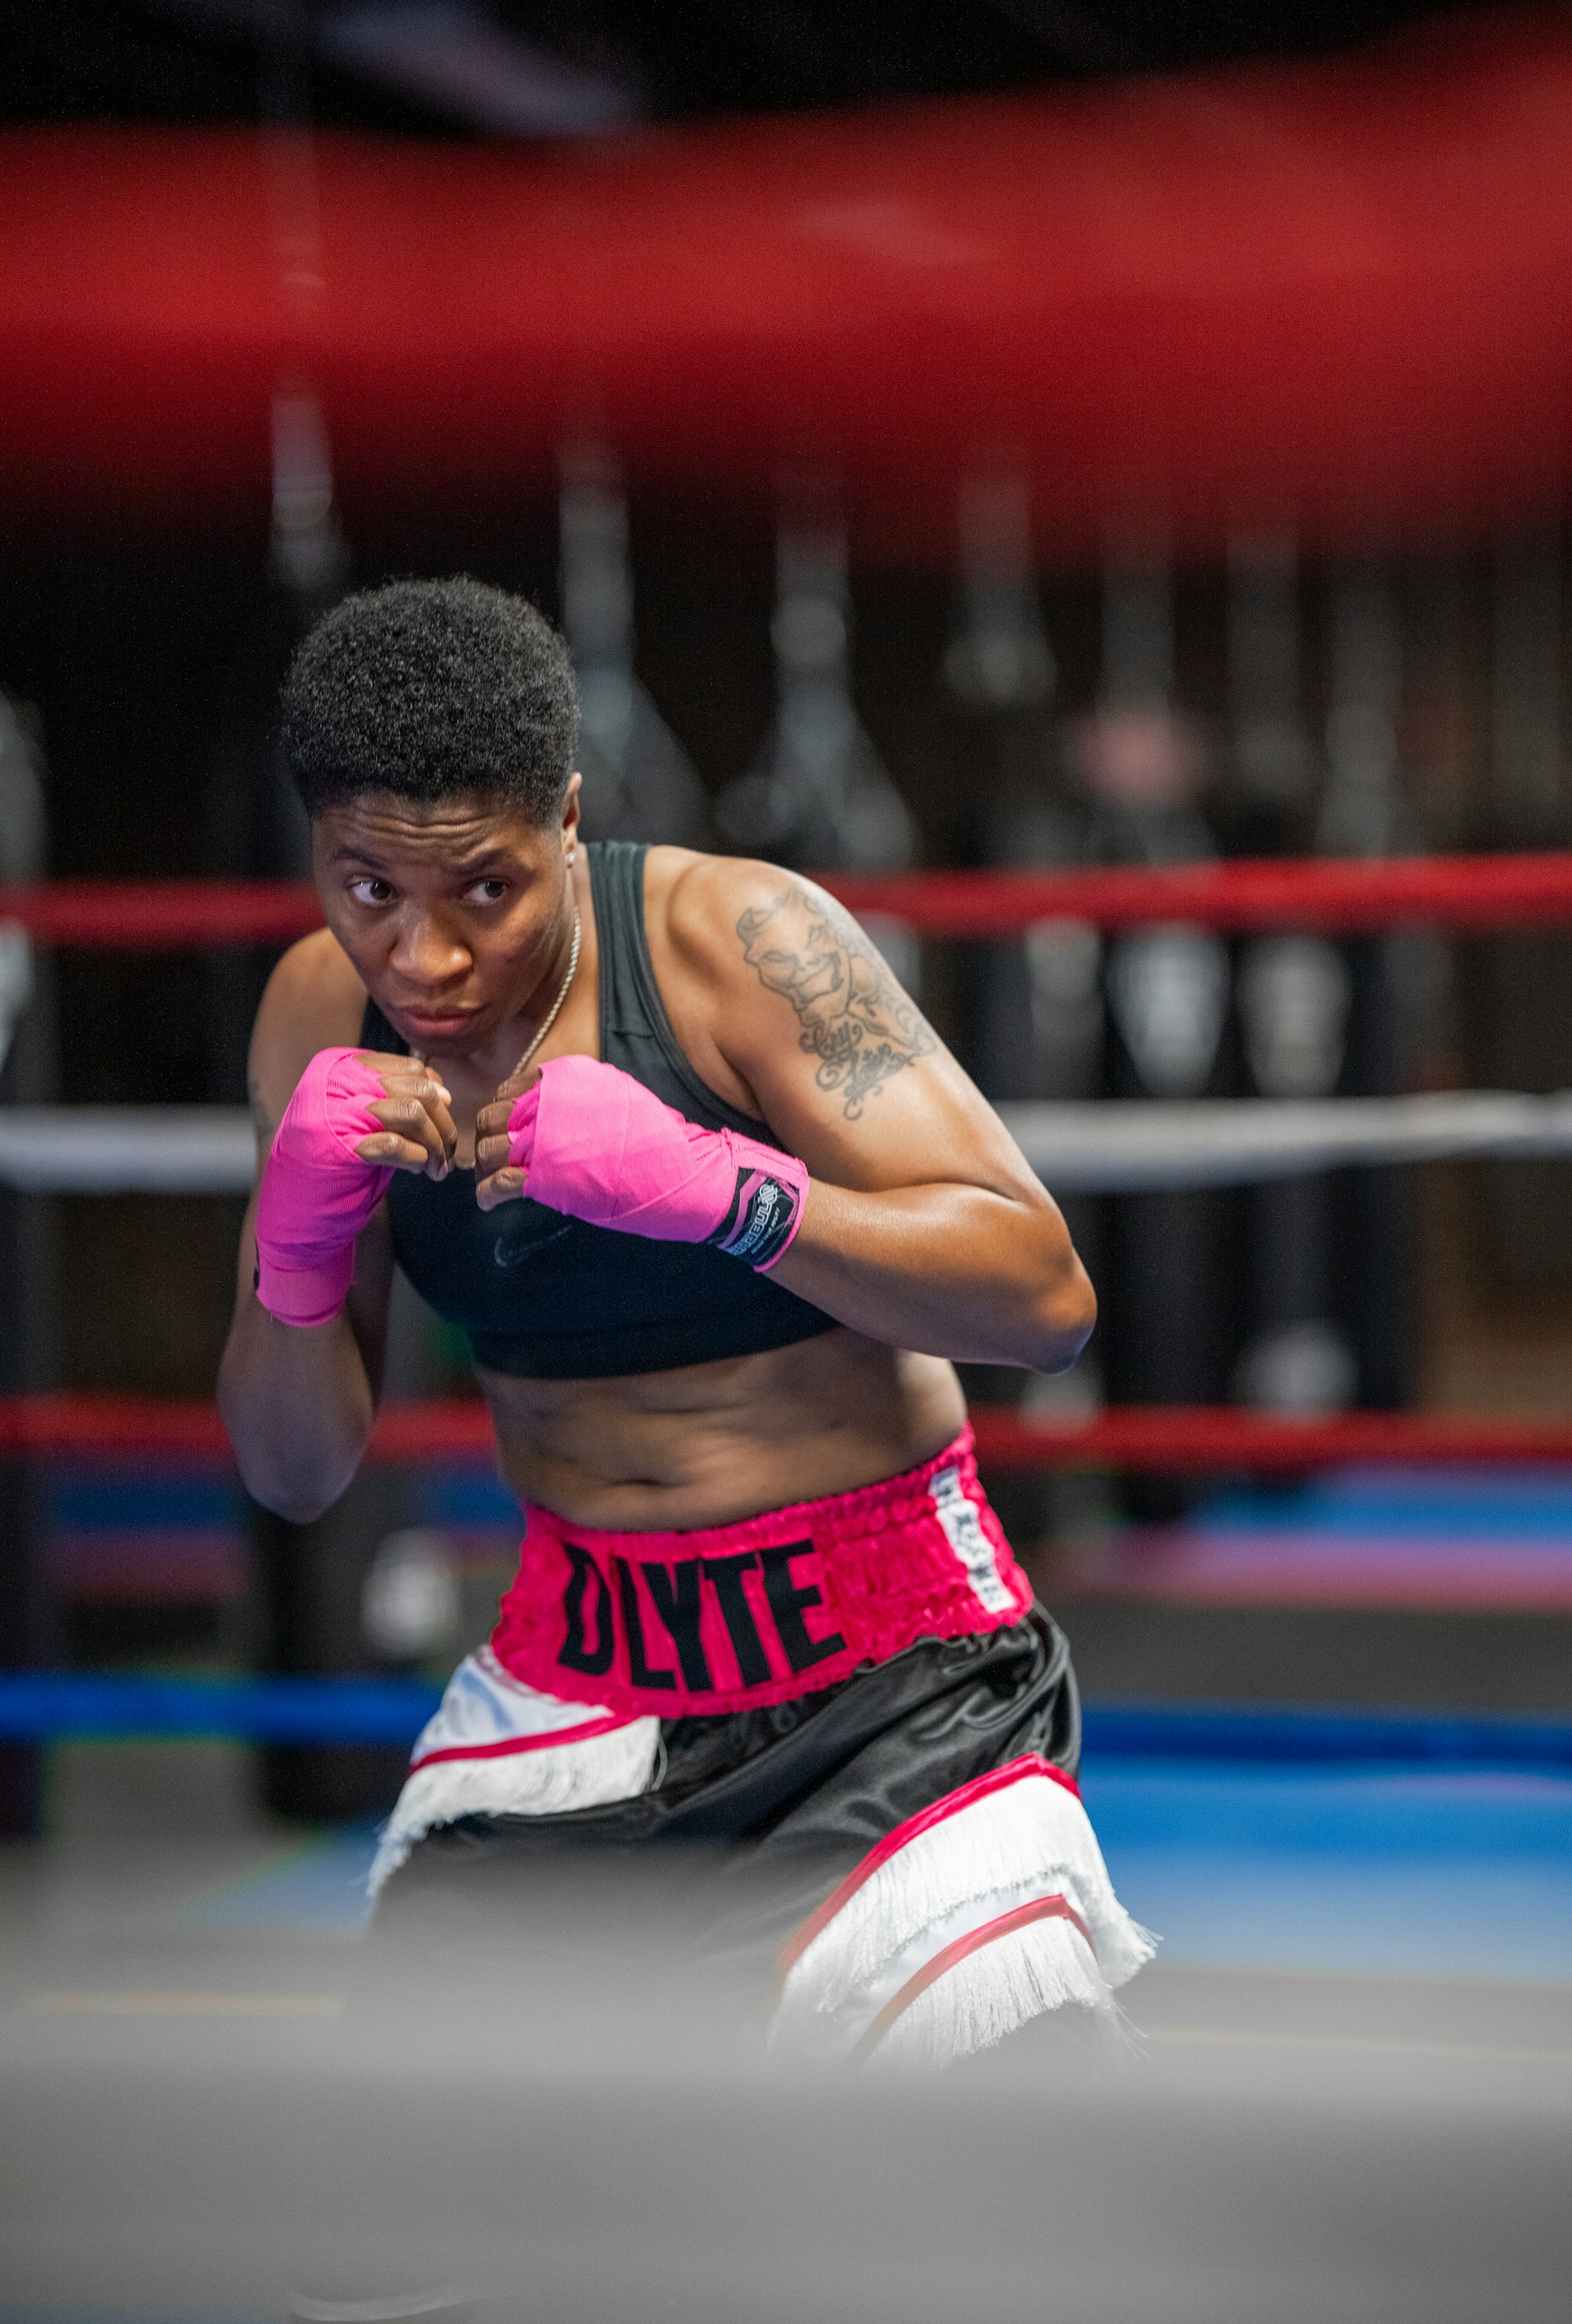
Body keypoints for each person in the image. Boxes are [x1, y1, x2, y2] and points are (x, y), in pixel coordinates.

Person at [219, 575, 1151, 2074]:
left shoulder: (743, 946)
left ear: (568, 822)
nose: (426, 959)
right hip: (574, 1680)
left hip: (891, 1684)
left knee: (1009, 2181)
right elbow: (294, 1473)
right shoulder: (313, 1018)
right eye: (369, 889)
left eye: (486, 890)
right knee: (373, 2266)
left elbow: (1043, 1298)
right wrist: (292, 1248)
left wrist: (731, 1196)